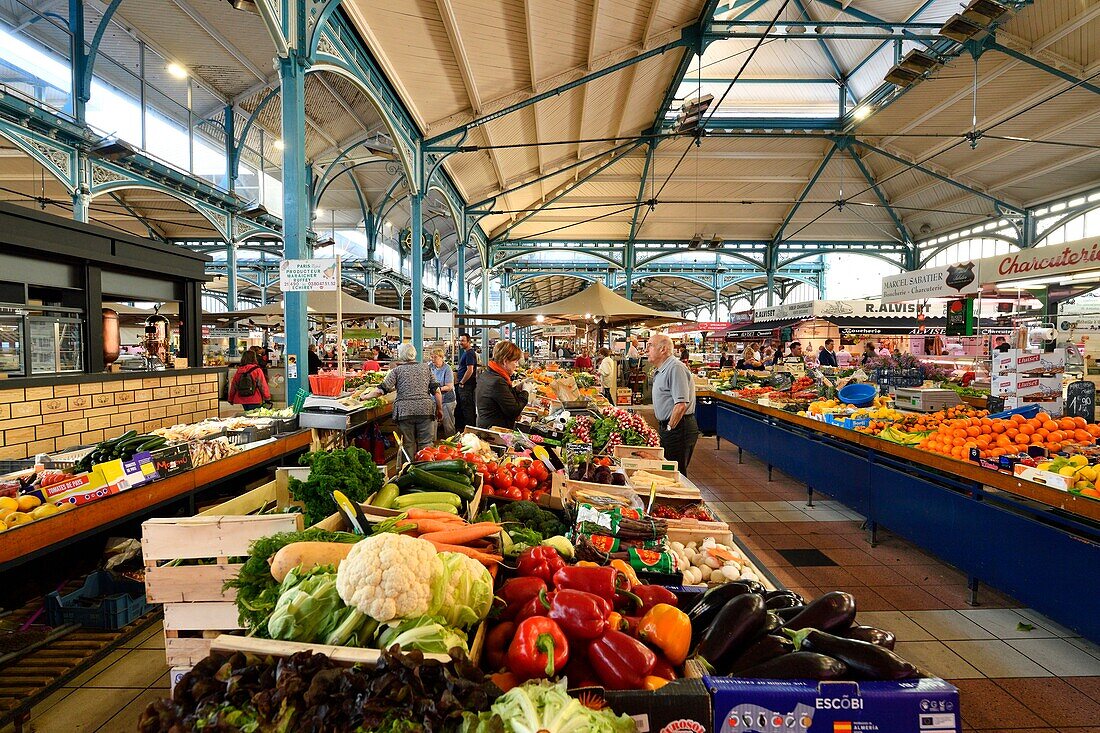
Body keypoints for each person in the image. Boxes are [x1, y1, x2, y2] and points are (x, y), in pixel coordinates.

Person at [368, 343, 442, 456]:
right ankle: (426, 468)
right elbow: (436, 391)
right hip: (425, 410)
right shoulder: (426, 368)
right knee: (426, 443)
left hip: (405, 412)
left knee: (408, 444)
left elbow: (381, 390)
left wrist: (364, 396)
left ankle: (409, 469)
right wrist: (439, 409)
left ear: (401, 355)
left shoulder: (397, 371)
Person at [648, 334, 699, 478]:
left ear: (663, 349)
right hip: (672, 427)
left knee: (676, 473)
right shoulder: (663, 369)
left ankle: (681, 500)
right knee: (668, 470)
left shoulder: (675, 368)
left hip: (679, 428)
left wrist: (669, 428)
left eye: (650, 345)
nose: (647, 350)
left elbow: (681, 405)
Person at [476, 340, 529, 430]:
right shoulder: (497, 381)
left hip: (486, 425)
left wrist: (516, 389)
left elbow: (499, 397)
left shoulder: (488, 373)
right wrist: (525, 392)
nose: (516, 365)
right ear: (505, 362)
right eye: (515, 362)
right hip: (494, 431)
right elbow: (514, 410)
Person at [430, 348, 456, 440]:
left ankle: (452, 445)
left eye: (435, 357)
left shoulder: (447, 369)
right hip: (433, 400)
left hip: (447, 400)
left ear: (441, 357)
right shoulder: (430, 367)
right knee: (432, 426)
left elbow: (449, 386)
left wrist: (437, 389)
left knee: (448, 425)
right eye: (432, 357)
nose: (433, 359)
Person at [455, 333, 478, 431]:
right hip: (465, 385)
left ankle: (470, 430)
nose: (461, 343)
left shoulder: (469, 353)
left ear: (469, 342)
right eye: (460, 340)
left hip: (467, 386)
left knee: (467, 408)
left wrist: (462, 382)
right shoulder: (467, 352)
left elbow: (470, 370)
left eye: (463, 341)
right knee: (463, 407)